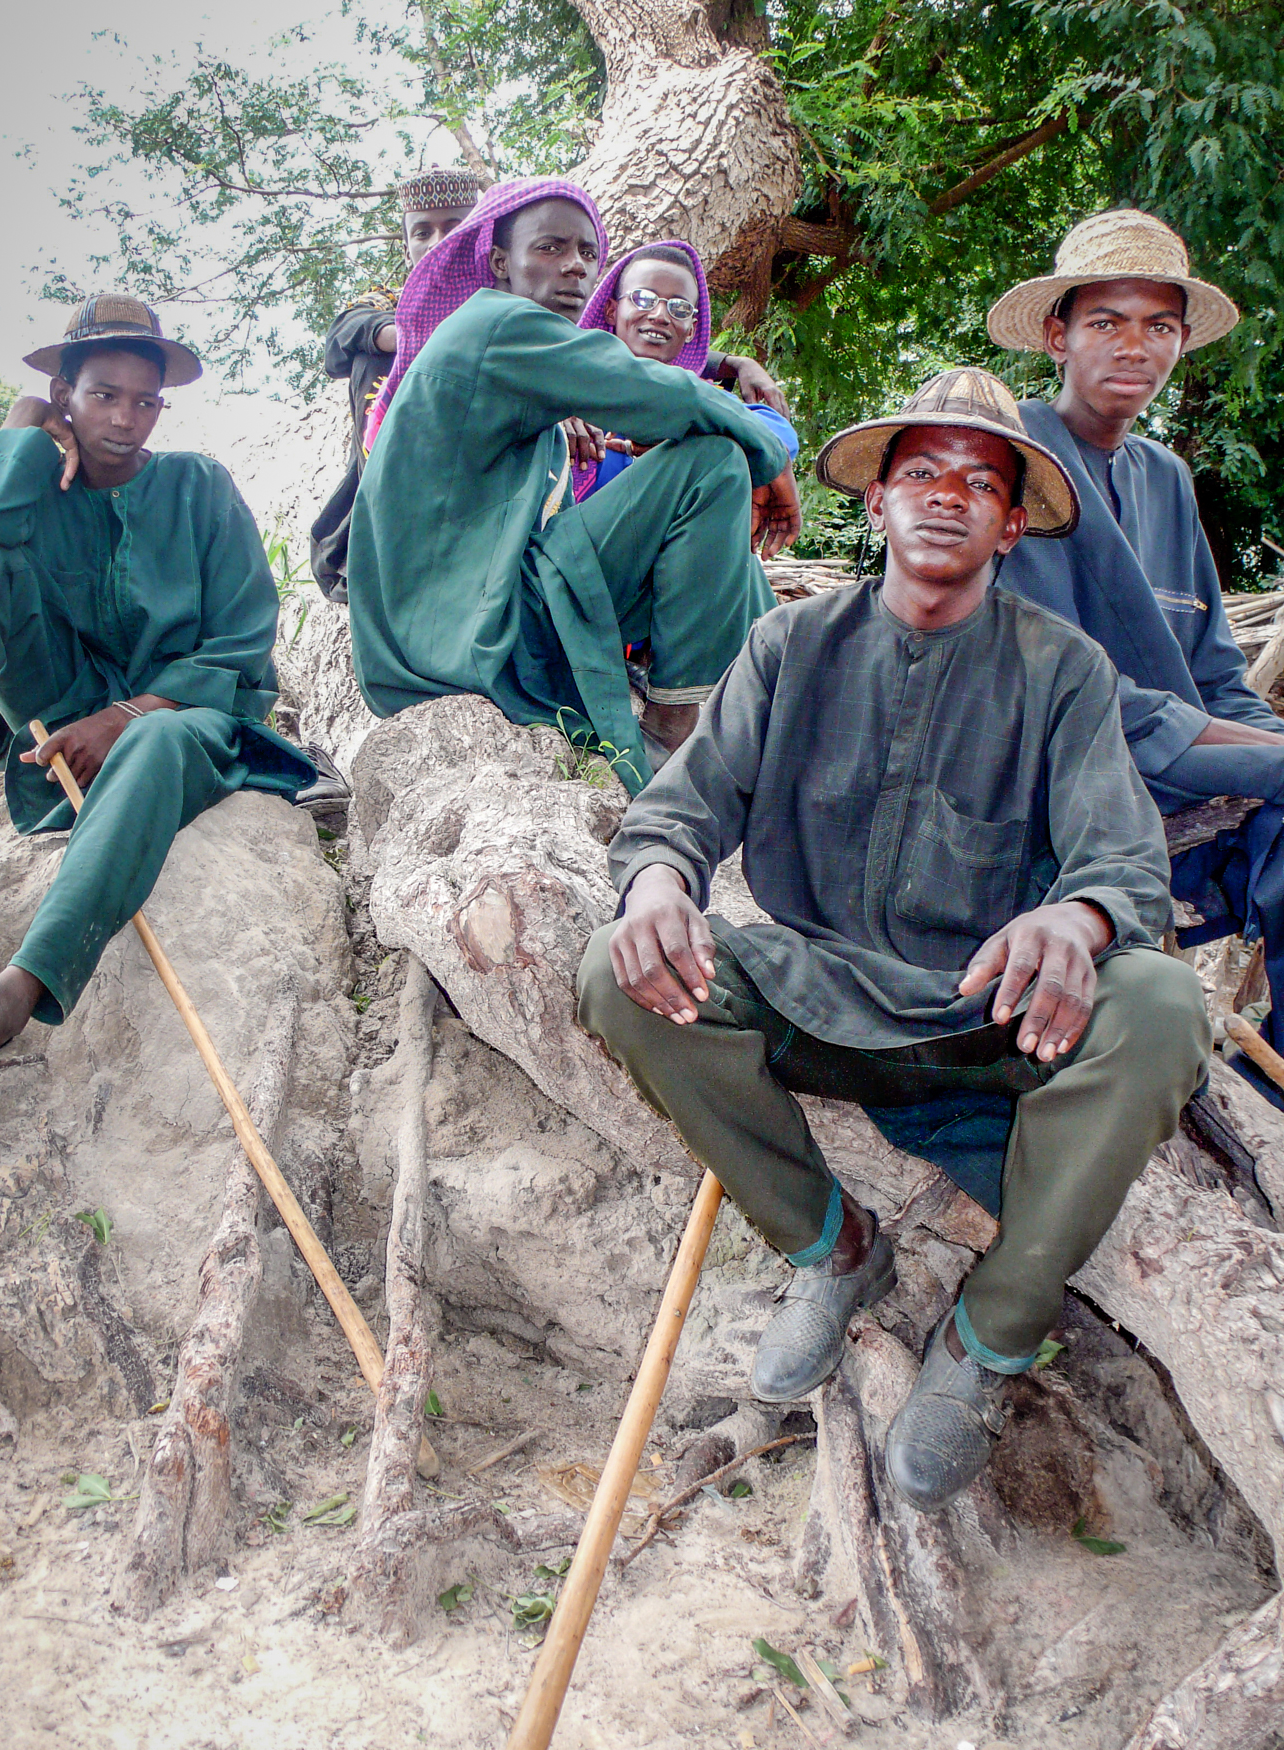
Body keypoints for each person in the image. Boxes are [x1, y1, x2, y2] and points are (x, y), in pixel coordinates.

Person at [576, 367, 1210, 1511]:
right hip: (820, 997)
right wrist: (659, 882)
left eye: (982, 480)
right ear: (876, 501)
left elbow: (1124, 862)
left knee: (1164, 1007)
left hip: (991, 1016)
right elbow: (681, 808)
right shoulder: (789, 647)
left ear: (1013, 524)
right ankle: (835, 1245)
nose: (948, 494)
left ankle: (990, 1332)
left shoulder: (1063, 668)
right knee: (618, 976)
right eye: (921, 470)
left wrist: (1075, 918)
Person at [348, 178, 801, 788]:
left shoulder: (509, 344)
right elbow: (649, 388)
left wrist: (732, 375)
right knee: (714, 465)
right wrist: (770, 460)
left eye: (589, 254)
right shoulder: (495, 324)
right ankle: (675, 726)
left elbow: (644, 378)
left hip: (474, 621)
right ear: (500, 263)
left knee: (719, 523)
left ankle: (780, 700)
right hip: (471, 638)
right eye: (551, 249)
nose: (575, 269)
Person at [988, 209, 1284, 1109]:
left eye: (1158, 326)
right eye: (1105, 322)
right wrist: (1246, 748)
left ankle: (1266, 1084)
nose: (1133, 347)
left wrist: (1263, 739)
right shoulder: (1017, 461)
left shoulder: (1164, 477)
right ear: (1056, 335)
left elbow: (1214, 665)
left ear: (1181, 343)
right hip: (1058, 765)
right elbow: (1051, 681)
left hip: (1182, 760)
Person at [0, 296, 317, 1049]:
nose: (126, 419)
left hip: (184, 725)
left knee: (155, 739)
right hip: (57, 753)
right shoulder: (34, 488)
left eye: (145, 401)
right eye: (103, 396)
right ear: (67, 394)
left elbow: (243, 642)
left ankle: (21, 989)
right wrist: (21, 425)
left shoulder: (198, 486)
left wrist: (123, 716)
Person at [311, 168, 485, 599]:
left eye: (454, 226)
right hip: (395, 487)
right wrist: (413, 334)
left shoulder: (505, 299)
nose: (437, 241)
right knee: (372, 354)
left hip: (480, 486)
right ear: (407, 246)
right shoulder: (386, 301)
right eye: (422, 231)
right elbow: (339, 339)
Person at [570, 241, 798, 502]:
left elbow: (780, 435)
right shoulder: (570, 386)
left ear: (691, 329)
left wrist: (689, 436)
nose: (660, 315)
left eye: (679, 308)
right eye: (643, 298)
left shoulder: (702, 397)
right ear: (612, 310)